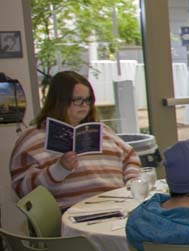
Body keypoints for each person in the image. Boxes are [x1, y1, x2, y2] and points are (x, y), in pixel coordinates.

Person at [10, 70, 141, 211]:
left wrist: (132, 183)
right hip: (70, 212)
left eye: (88, 100)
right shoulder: (32, 139)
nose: (84, 105)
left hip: (118, 206)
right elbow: (22, 190)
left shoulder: (103, 131)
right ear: (59, 101)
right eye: (77, 100)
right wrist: (58, 170)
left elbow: (130, 157)